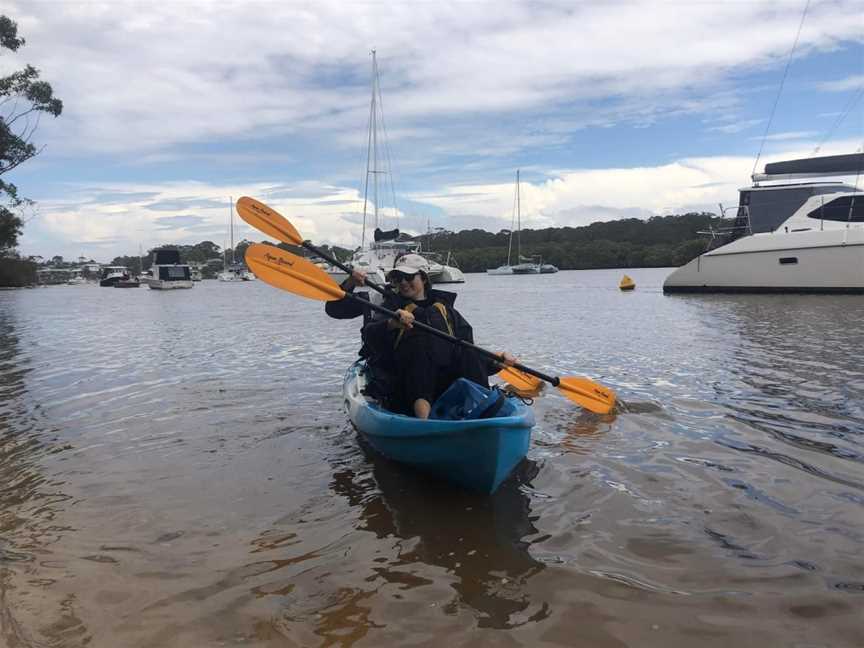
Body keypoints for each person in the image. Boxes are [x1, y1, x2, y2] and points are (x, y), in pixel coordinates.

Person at [363, 253, 515, 419]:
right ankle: (425, 423)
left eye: (408, 277)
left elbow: (467, 348)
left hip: (444, 378)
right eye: (398, 278)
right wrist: (392, 323)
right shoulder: (390, 307)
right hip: (404, 382)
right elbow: (370, 336)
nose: (404, 282)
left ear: (423, 278)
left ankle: (484, 411)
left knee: (467, 351)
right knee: (420, 349)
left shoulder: (445, 309)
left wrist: (496, 360)